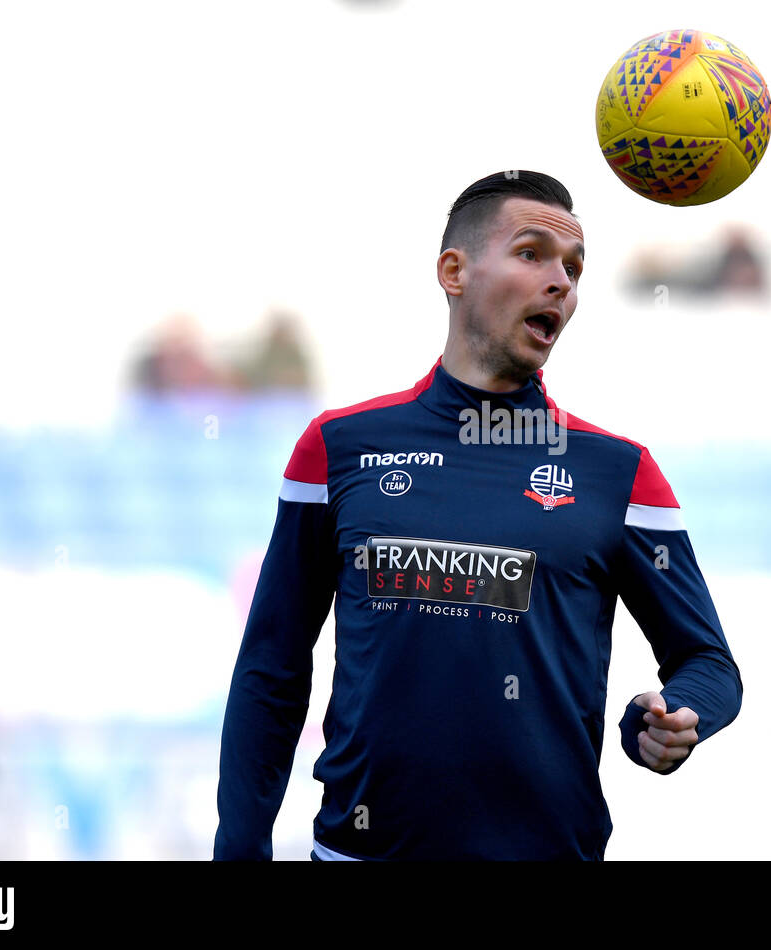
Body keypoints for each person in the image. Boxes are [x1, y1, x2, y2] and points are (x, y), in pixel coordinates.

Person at [213, 171, 743, 861]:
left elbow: (708, 663)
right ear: (454, 271)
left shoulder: (618, 472)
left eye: (574, 268)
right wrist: (240, 848)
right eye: (532, 254)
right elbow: (272, 668)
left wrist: (675, 716)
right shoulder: (338, 448)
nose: (561, 282)